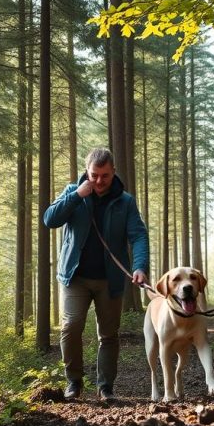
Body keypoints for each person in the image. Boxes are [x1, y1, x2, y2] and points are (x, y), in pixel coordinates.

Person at [43, 149, 149, 401]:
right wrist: (77, 196)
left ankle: (106, 388)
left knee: (109, 334)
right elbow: (50, 219)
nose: (99, 181)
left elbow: (138, 235)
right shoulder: (73, 191)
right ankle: (74, 382)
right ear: (86, 172)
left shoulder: (125, 201)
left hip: (110, 280)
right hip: (74, 276)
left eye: (105, 176)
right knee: (71, 326)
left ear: (113, 173)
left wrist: (140, 266)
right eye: (94, 175)